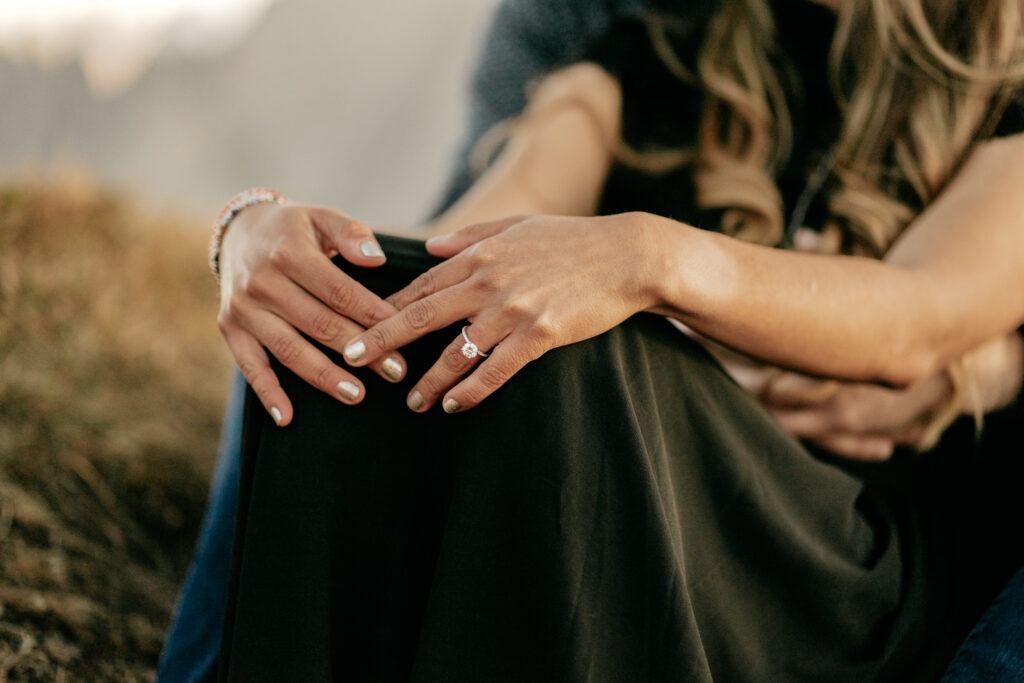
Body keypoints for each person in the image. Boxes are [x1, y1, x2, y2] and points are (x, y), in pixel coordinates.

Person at [161, 0, 1024, 680]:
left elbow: (921, 314)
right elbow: (446, 258)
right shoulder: (657, 54)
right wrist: (255, 234)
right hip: (641, 514)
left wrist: (647, 258)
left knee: (576, 343)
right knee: (343, 322)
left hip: (845, 569)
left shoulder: (1006, 76)